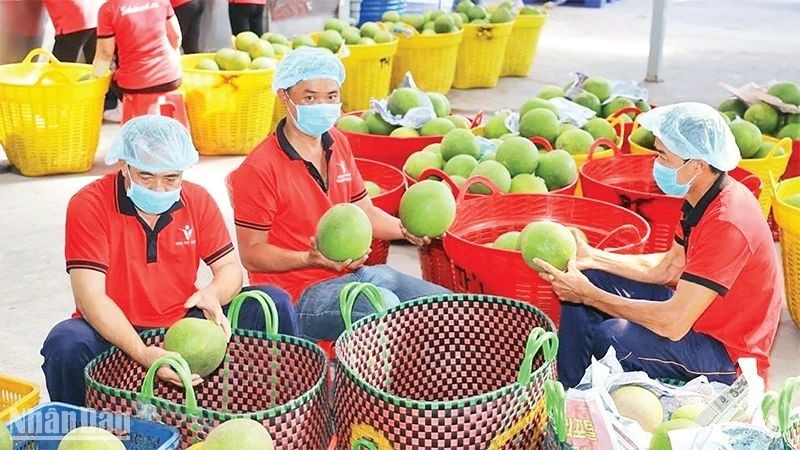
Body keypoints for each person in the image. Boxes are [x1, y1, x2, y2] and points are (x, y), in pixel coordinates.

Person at [41, 116, 297, 406]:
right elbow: (90, 298)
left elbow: (229, 268)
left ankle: (273, 409)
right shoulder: (90, 204)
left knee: (271, 302)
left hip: (182, 321)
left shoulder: (196, 200)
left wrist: (213, 294)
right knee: (65, 343)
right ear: (124, 165)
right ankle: (79, 430)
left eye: (171, 178)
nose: (159, 189)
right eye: (145, 176)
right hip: (114, 328)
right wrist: (142, 352)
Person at [536, 102, 783, 388]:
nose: (656, 164)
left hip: (728, 356)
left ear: (698, 165)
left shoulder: (728, 223)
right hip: (697, 317)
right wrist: (593, 258)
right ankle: (570, 393)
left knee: (613, 336)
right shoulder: (702, 196)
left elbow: (673, 323)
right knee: (590, 277)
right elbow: (668, 267)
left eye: (663, 156)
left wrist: (589, 296)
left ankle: (591, 401)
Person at [230, 47, 450, 343]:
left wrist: (405, 229)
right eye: (310, 97)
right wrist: (309, 258)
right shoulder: (259, 169)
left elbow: (365, 212)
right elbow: (252, 254)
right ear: (285, 97)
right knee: (384, 310)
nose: (322, 105)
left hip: (354, 275)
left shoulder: (337, 143)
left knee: (446, 306)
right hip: (300, 295)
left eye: (331, 96)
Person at [92, 0, 183, 123]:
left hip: (135, 83)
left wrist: (95, 79)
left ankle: (123, 113)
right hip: (171, 78)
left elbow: (105, 54)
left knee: (115, 79)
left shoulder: (109, 9)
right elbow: (176, 37)